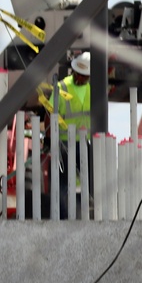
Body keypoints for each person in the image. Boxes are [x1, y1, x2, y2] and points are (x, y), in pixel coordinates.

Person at [49, 51, 92, 218]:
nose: (81, 78)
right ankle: (62, 216)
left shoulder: (91, 90)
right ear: (74, 71)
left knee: (84, 181)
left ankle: (82, 214)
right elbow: (51, 113)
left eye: (84, 76)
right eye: (79, 75)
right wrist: (50, 139)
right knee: (62, 183)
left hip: (83, 142)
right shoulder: (62, 87)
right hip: (63, 143)